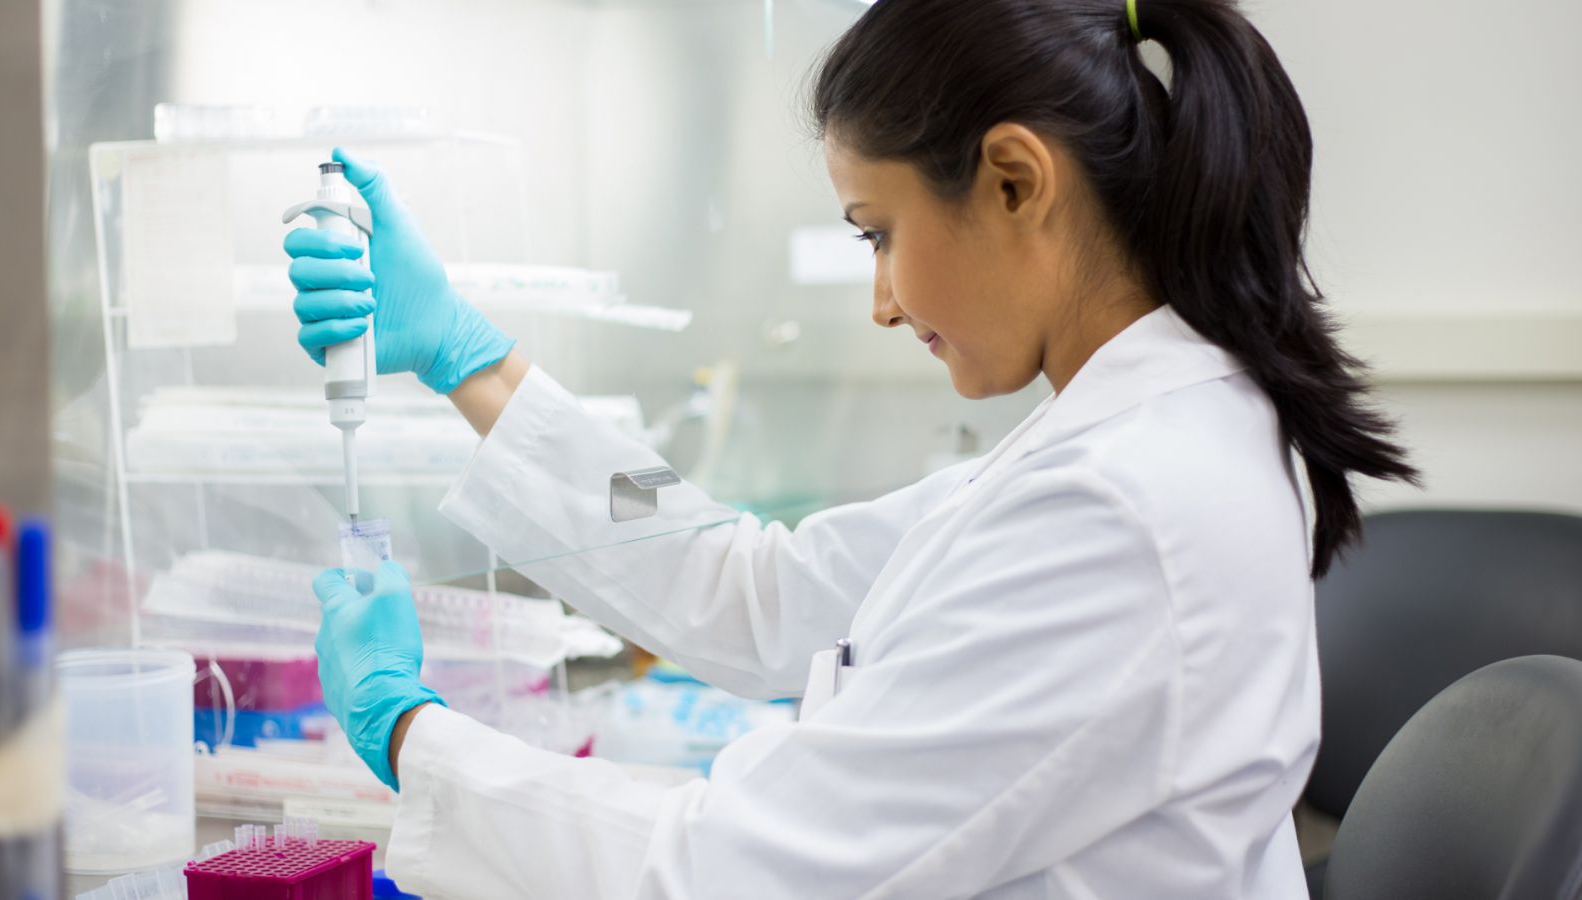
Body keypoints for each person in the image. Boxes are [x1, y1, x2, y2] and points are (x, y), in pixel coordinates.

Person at [283, 0, 1416, 896]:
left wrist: (408, 730)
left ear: (1017, 181)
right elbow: (757, 586)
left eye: (880, 234)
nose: (880, 299)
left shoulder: (1122, 507)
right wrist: (473, 365)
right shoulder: (1126, 435)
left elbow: (733, 873)